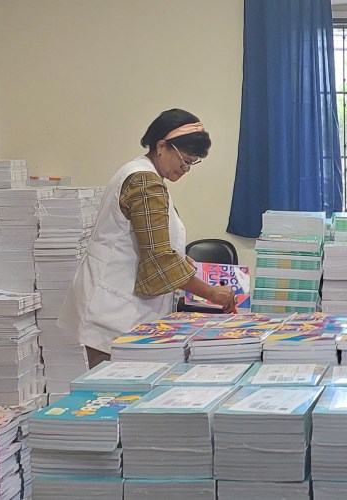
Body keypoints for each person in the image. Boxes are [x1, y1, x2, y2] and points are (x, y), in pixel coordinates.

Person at [59, 109, 236, 367]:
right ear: (162, 146)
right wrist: (212, 293)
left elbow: (149, 240)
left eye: (192, 163)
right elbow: (159, 258)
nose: (186, 169)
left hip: (119, 306)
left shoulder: (140, 173)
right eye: (184, 160)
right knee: (115, 394)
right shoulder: (145, 183)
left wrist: (177, 258)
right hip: (116, 312)